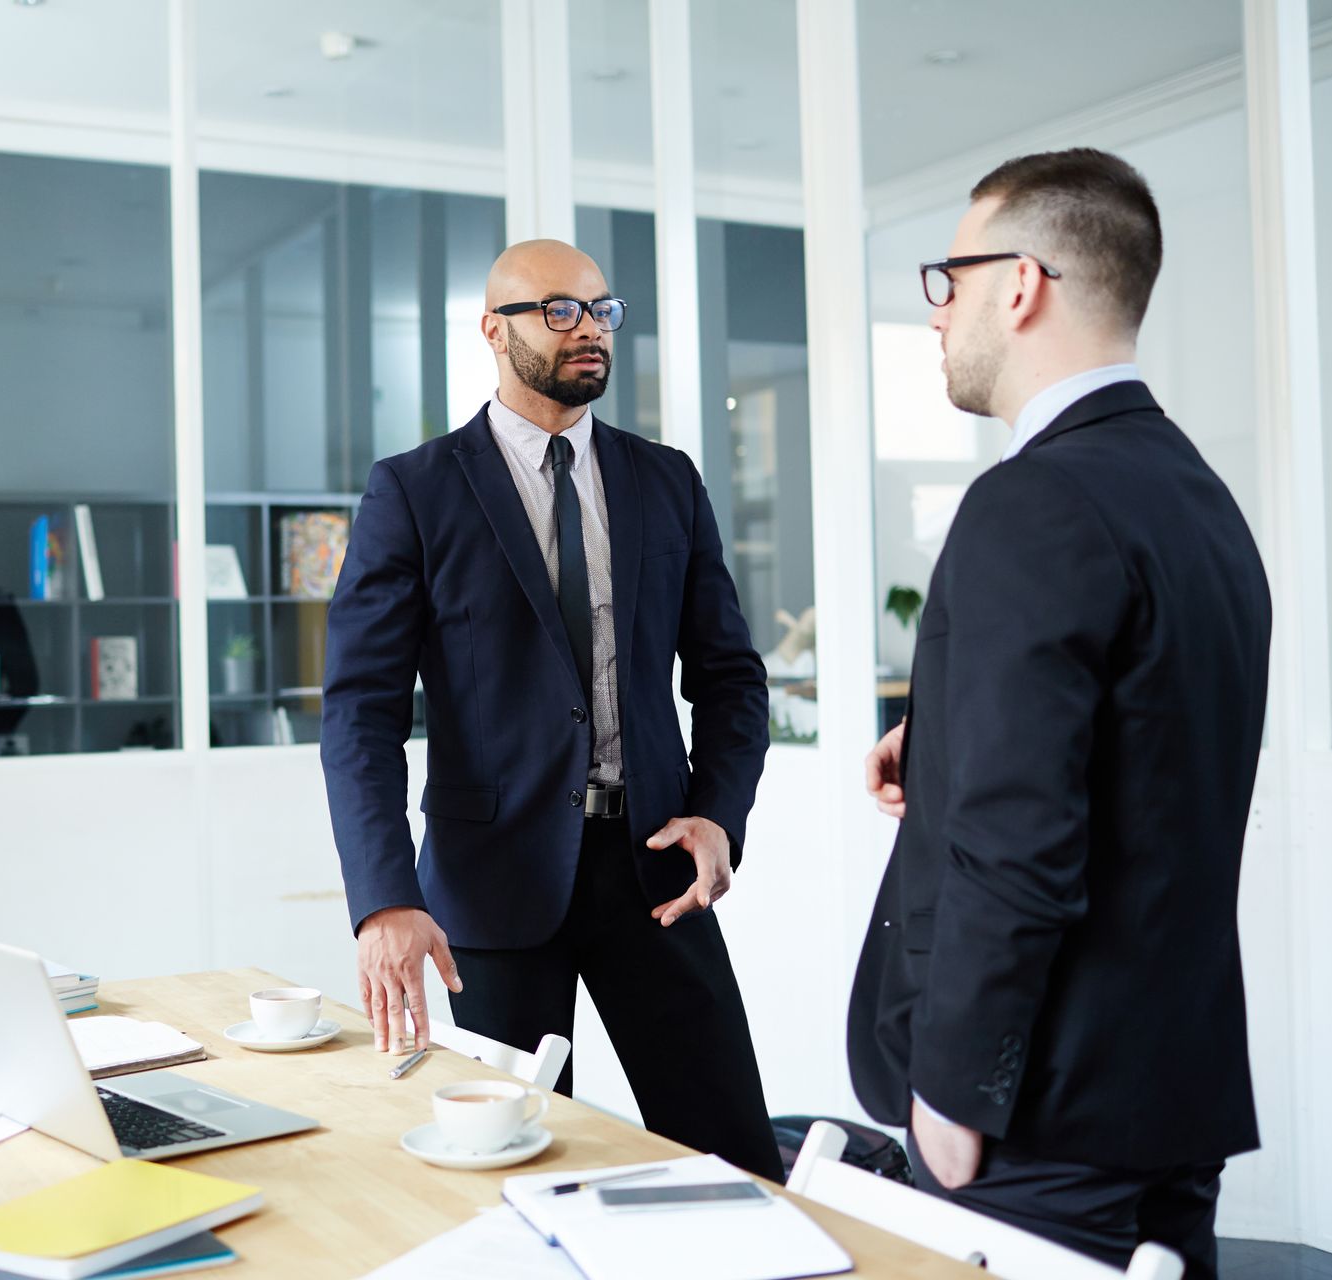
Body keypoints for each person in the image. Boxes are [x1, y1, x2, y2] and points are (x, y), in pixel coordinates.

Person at [847, 148, 1271, 1275]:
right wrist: (942, 757)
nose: (937, 317)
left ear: (1021, 284)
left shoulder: (1029, 501)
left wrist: (951, 1092)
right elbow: (1149, 759)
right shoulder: (1198, 496)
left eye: (950, 281)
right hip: (1168, 1093)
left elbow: (1019, 842)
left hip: (1033, 1113)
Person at [321, 239, 782, 1179]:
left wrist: (720, 812)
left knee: (731, 1154)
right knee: (516, 1172)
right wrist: (384, 898)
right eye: (559, 311)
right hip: (491, 892)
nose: (589, 331)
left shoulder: (667, 481)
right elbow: (361, 712)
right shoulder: (414, 491)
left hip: (656, 871)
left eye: (602, 311)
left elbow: (731, 676)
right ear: (493, 330)